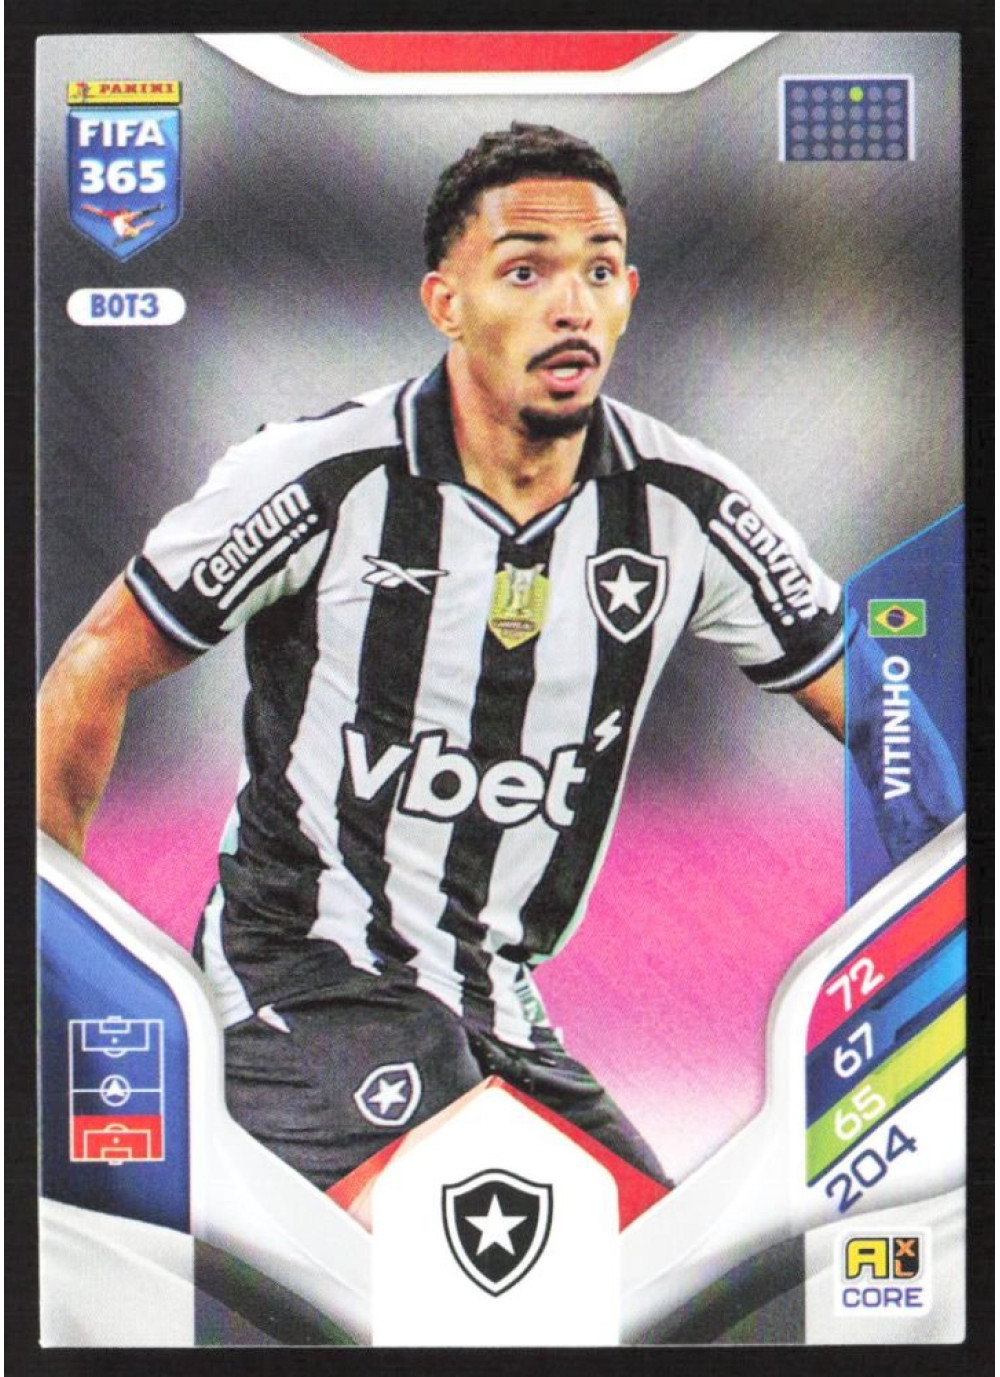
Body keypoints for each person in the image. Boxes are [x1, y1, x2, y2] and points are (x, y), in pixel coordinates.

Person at [38, 124, 958, 1192]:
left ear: (628, 296)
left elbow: (882, 711)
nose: (570, 305)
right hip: (301, 988)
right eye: (526, 271)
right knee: (469, 1244)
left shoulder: (688, 506)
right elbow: (98, 663)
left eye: (599, 271)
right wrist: (61, 971)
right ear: (446, 302)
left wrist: (936, 956)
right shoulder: (322, 476)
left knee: (653, 1259)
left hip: (500, 1015)